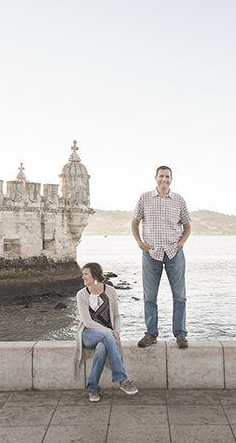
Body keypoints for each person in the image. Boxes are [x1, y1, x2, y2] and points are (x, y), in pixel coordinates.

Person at [132, 165, 192, 348]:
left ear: (171, 179)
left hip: (174, 253)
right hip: (151, 254)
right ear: (156, 178)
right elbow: (134, 224)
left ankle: (180, 334)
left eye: (167, 177)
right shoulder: (144, 198)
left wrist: (181, 243)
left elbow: (187, 226)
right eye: (161, 176)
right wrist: (140, 244)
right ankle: (151, 334)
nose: (164, 179)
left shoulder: (179, 200)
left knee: (179, 296)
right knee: (150, 296)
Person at [75, 262, 137, 402]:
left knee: (102, 349)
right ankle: (121, 379)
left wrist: (117, 330)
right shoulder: (81, 295)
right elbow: (87, 322)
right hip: (88, 334)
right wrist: (110, 331)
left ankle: (92, 388)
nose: (83, 277)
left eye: (86, 274)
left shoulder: (110, 291)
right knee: (107, 336)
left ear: (95, 275)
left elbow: (116, 316)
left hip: (105, 337)